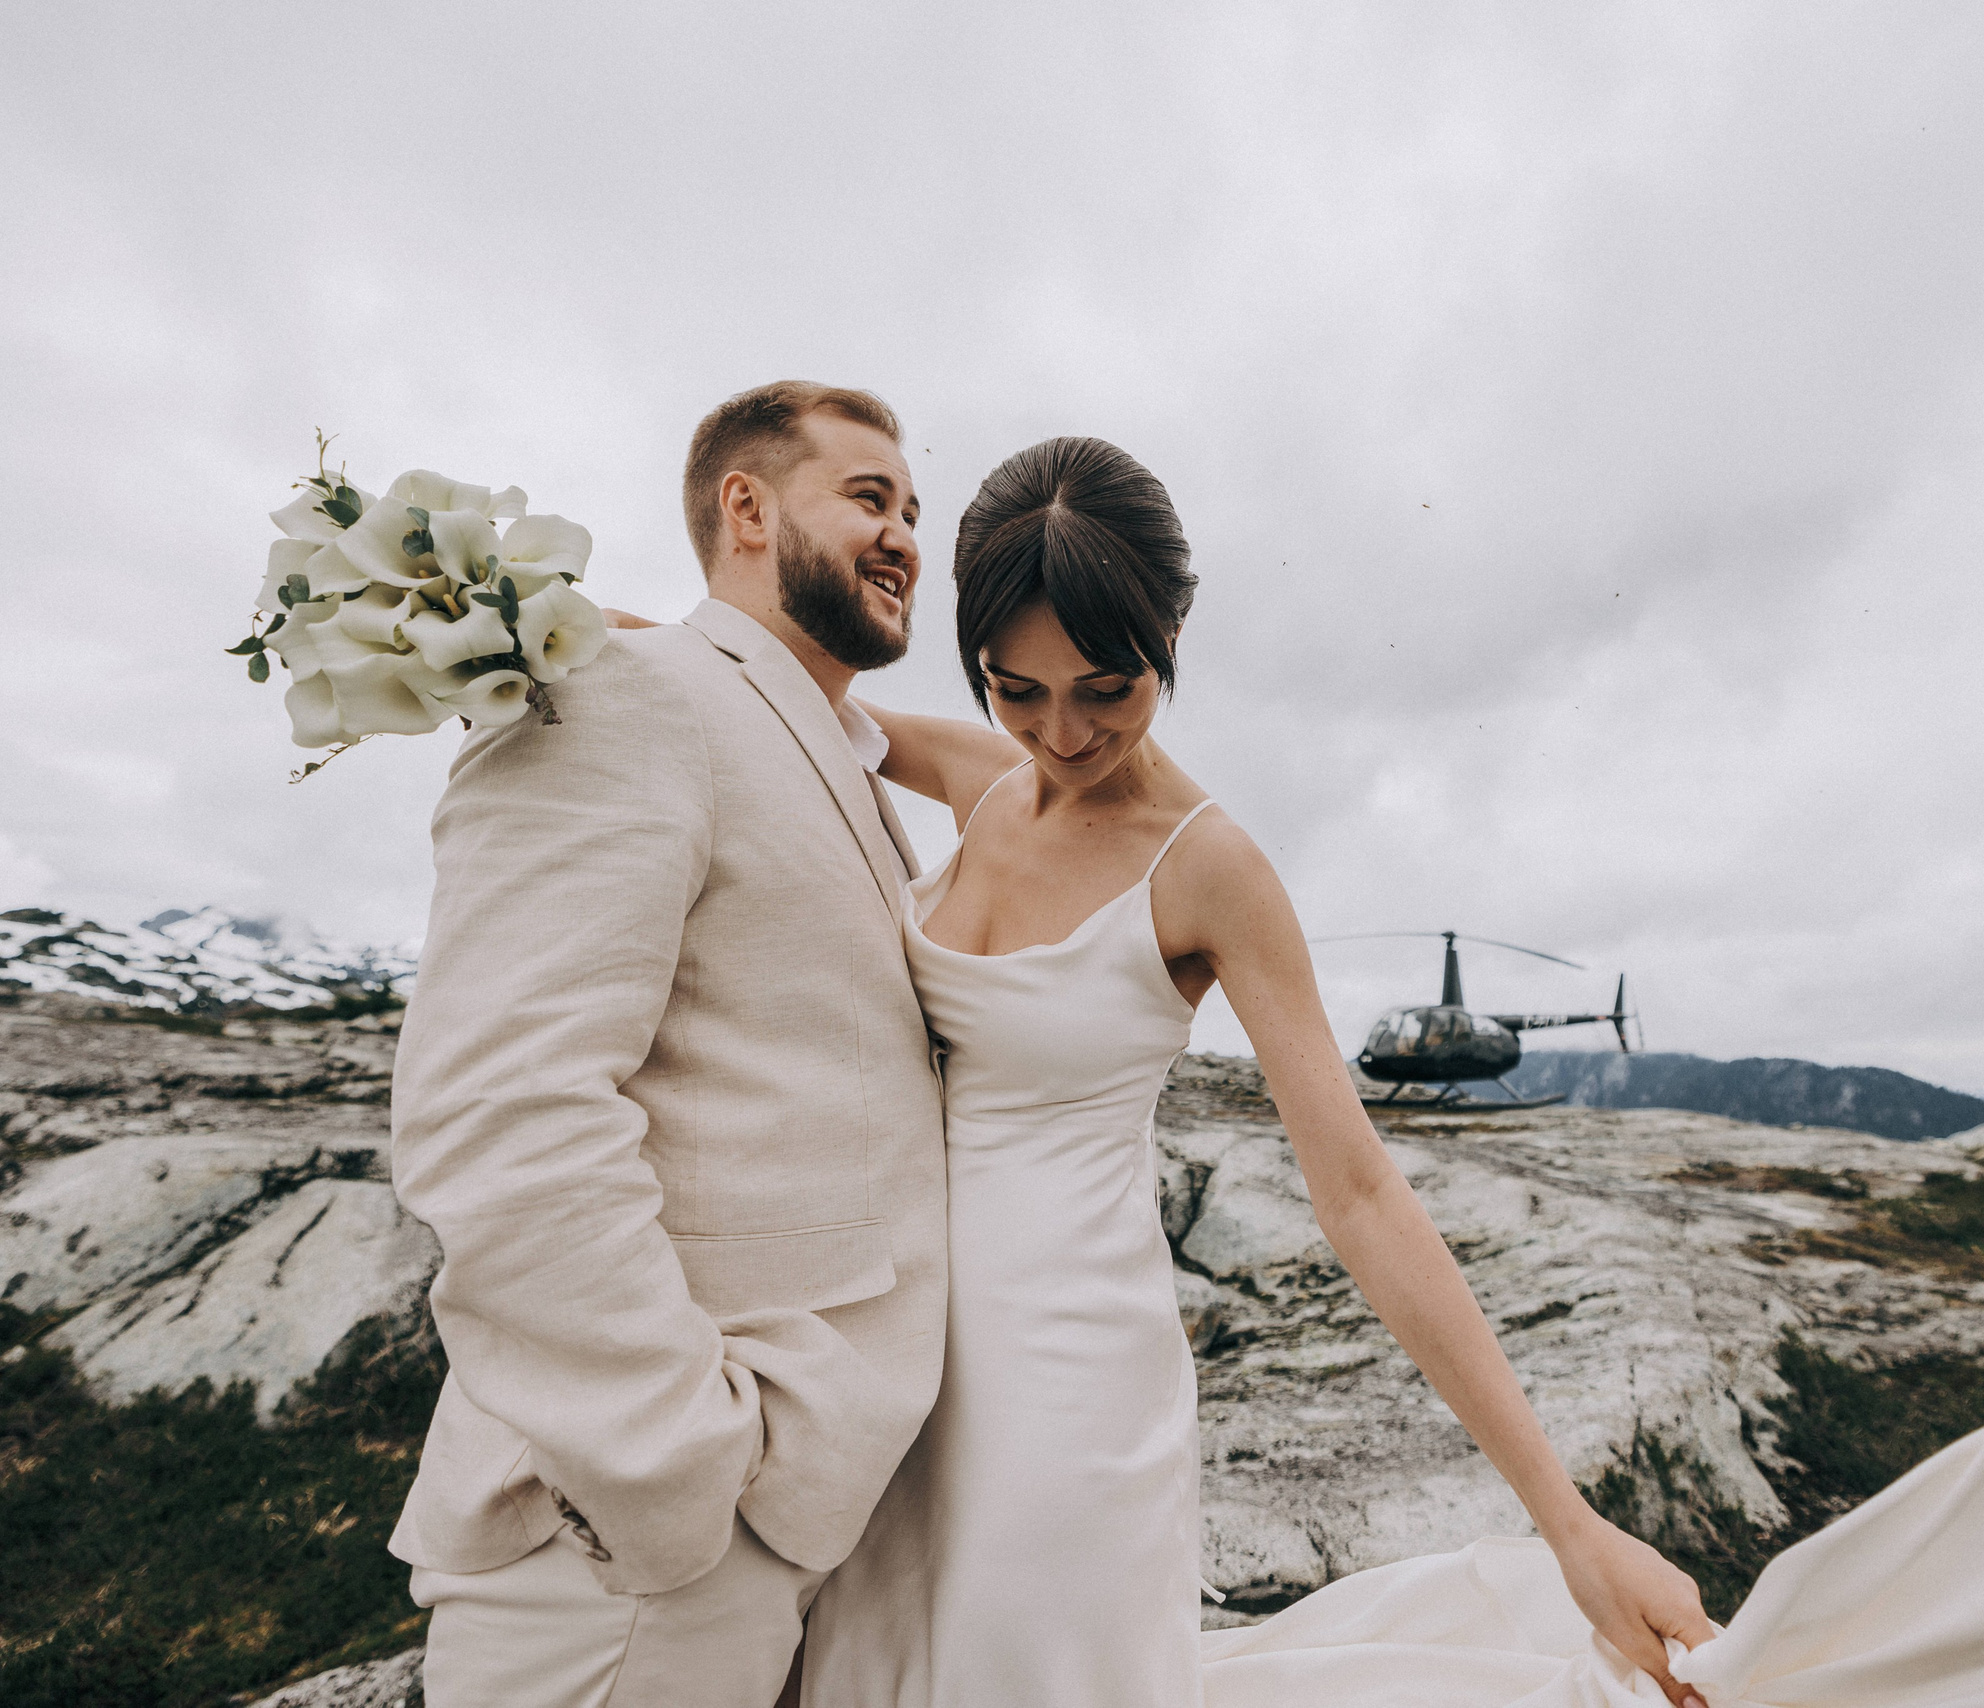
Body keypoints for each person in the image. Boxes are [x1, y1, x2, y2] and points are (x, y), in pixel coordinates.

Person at [792, 435, 1721, 1707]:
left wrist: (1570, 1523)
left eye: (1108, 687)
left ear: (1171, 633)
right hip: (897, 1355)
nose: (1062, 733)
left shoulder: (1208, 868)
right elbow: (766, 696)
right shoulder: (987, 781)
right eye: (1016, 688)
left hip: (1069, 1387)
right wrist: (544, 631)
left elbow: (1360, 1194)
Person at [389, 381, 950, 1708]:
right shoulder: (626, 694)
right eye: (868, 496)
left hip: (800, 1522)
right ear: (745, 509)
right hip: (633, 1552)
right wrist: (677, 1469)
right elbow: (502, 1109)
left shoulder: (836, 762)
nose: (904, 536)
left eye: (913, 510)